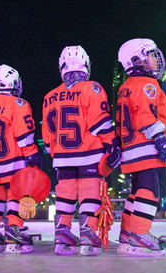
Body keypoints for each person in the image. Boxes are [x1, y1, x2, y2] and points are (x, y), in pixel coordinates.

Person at [42, 45, 119, 256]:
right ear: (85, 65)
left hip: (61, 156)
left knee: (65, 196)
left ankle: (62, 234)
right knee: (89, 194)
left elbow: (47, 137)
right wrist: (112, 143)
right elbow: (100, 122)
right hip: (89, 154)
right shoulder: (92, 88)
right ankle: (87, 234)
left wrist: (55, 152)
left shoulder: (50, 96)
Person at [115, 38, 166, 256]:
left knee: (136, 193)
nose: (154, 60)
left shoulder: (126, 86)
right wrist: (161, 138)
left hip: (131, 149)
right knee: (150, 191)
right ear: (136, 60)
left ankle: (128, 233)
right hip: (147, 146)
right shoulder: (147, 84)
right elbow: (144, 114)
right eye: (149, 55)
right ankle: (140, 235)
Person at [0, 64, 41, 253]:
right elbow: (24, 135)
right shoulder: (18, 103)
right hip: (13, 161)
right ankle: (14, 230)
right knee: (16, 195)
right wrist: (32, 154)